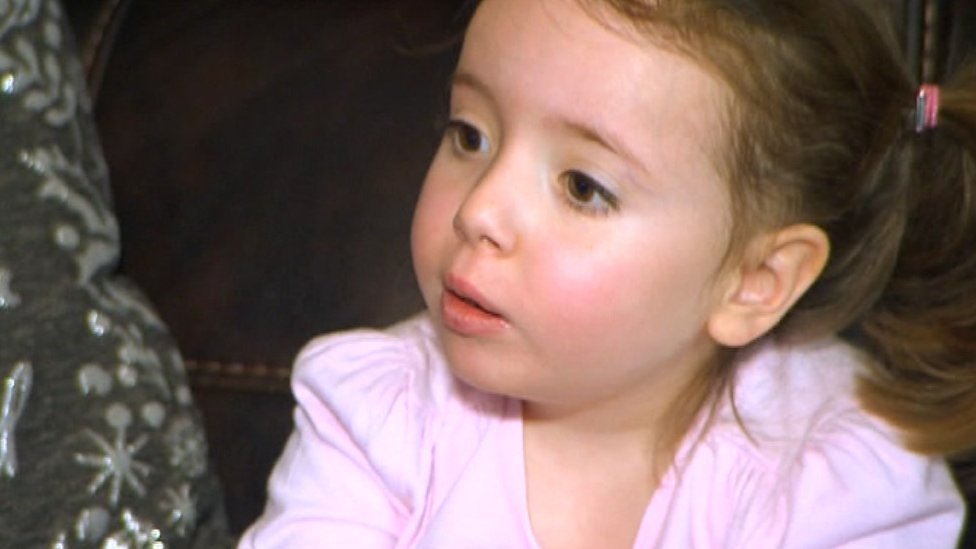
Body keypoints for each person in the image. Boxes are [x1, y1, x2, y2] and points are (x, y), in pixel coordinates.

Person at [239, 0, 976, 546]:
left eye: (583, 187)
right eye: (470, 134)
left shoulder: (837, 475)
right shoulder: (381, 417)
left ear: (754, 280)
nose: (479, 210)